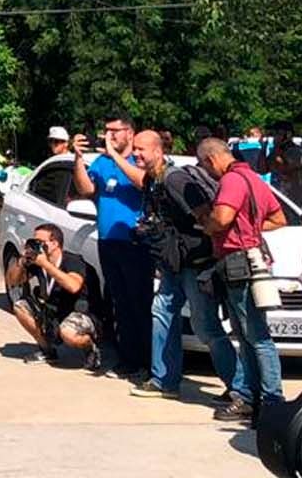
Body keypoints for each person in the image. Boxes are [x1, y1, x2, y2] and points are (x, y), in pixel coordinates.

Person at [132, 130, 240, 401]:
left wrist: (203, 251)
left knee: (206, 326)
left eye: (141, 149)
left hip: (195, 263)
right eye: (134, 148)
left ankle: (240, 388)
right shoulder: (152, 180)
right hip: (174, 264)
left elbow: (206, 217)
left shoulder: (175, 179)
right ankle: (164, 381)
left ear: (158, 151)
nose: (136, 154)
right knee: (162, 313)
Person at [198, 136, 288, 424]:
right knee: (248, 333)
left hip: (238, 261)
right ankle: (254, 397)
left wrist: (207, 225)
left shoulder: (231, 180)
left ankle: (270, 400)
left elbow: (222, 218)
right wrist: (250, 227)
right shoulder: (254, 179)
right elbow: (279, 218)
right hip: (253, 257)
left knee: (255, 335)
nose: (208, 171)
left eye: (205, 166)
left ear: (211, 159)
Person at [72, 115, 152, 382]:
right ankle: (127, 360)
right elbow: (85, 189)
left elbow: (143, 182)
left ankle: (147, 362)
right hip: (109, 242)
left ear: (130, 133)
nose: (109, 135)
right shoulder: (103, 162)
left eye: (115, 131)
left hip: (136, 244)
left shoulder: (138, 160)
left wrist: (115, 155)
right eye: (106, 130)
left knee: (139, 304)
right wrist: (78, 159)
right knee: (119, 303)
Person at [7, 223, 98, 365]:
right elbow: (13, 281)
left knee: (68, 333)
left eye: (40, 242)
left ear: (54, 243)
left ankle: (89, 347)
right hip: (55, 312)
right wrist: (22, 261)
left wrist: (46, 265)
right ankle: (47, 351)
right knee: (20, 306)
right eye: (34, 242)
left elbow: (73, 286)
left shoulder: (72, 261)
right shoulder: (38, 262)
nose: (37, 246)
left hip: (80, 313)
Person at [267, 122, 302, 203]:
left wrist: (276, 148)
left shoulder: (297, 152)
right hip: (279, 198)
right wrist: (263, 148)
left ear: (288, 135)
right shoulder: (277, 152)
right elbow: (261, 169)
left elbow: (284, 169)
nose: (275, 136)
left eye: (278, 133)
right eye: (273, 133)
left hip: (294, 200)